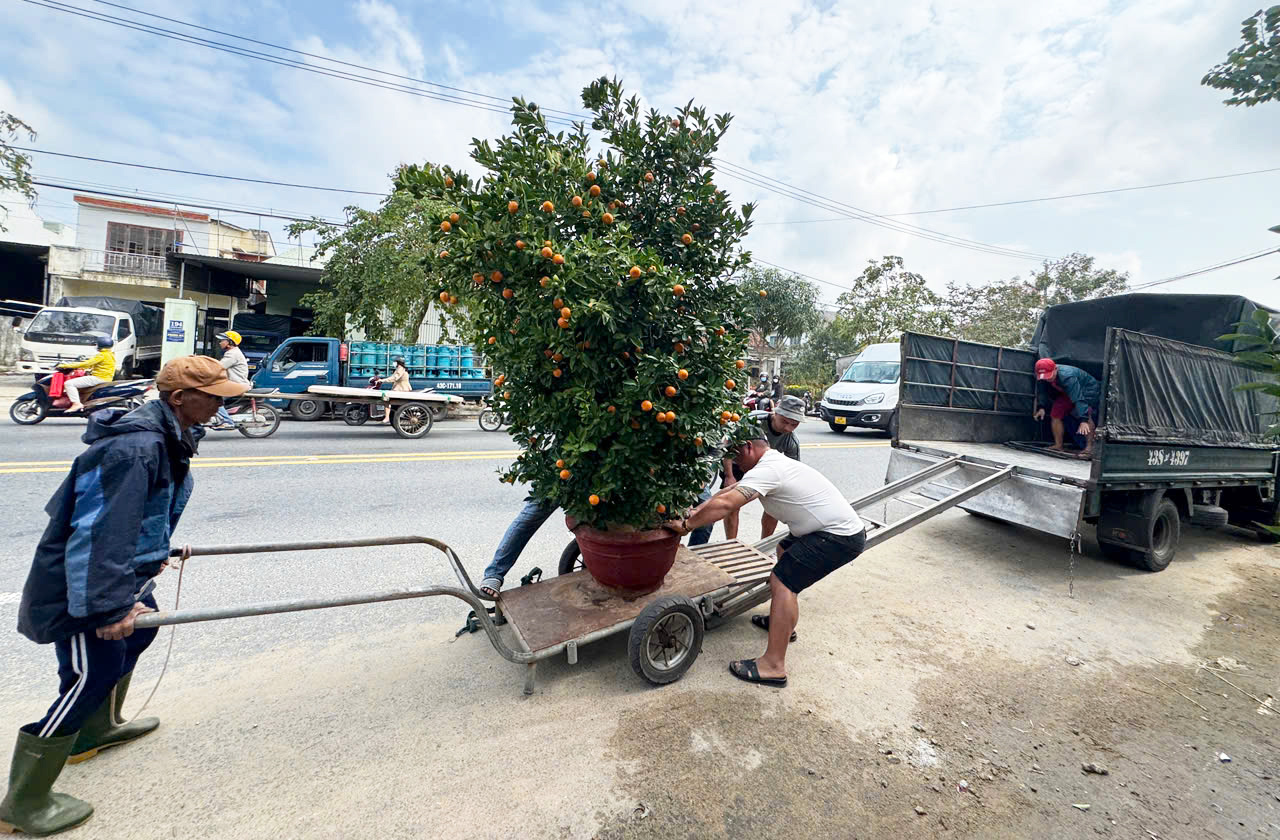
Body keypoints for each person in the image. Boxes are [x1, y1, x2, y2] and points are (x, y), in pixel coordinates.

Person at [0, 355, 248, 837]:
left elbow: (143, 513)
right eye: (213, 395)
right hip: (82, 588)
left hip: (124, 573)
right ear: (180, 399)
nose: (221, 402)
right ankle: (23, 801)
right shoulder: (135, 449)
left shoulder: (170, 436)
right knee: (91, 675)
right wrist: (108, 607)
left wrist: (157, 551)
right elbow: (97, 533)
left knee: (140, 634)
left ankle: (96, 731)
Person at [666, 429, 866, 687]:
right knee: (784, 552)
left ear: (749, 447)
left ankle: (773, 666)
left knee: (782, 581)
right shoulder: (771, 463)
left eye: (736, 457)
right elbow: (724, 495)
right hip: (824, 531)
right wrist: (693, 511)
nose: (735, 464)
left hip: (838, 537)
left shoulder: (769, 469)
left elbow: (729, 505)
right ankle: (782, 624)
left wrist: (687, 525)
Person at [722, 394, 805, 541]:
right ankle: (731, 543)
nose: (788, 428)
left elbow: (791, 472)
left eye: (794, 424)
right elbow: (728, 445)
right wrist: (729, 476)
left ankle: (764, 545)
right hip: (738, 463)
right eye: (785, 422)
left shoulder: (791, 441)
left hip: (766, 470)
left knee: (775, 506)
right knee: (732, 504)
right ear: (776, 412)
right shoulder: (753, 421)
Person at [1033, 358, 1101, 456]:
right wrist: (1041, 407)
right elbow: (1042, 391)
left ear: (1055, 369)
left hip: (1087, 390)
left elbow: (1078, 398)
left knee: (1087, 414)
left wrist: (1083, 420)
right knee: (1056, 413)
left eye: (1049, 376)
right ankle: (1058, 445)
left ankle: (1090, 448)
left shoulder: (1067, 376)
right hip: (1067, 391)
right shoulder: (1042, 377)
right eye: (1044, 377)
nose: (1047, 379)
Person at [59, 335, 116, 413]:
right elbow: (92, 365)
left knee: (69, 384)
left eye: (96, 344)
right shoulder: (110, 354)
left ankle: (76, 404)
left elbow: (87, 363)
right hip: (105, 377)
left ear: (100, 345)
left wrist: (65, 365)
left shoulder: (102, 355)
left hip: (98, 378)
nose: (96, 346)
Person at [210, 331, 250, 430]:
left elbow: (218, 367)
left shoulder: (232, 354)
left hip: (236, 385)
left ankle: (227, 422)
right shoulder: (232, 352)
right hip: (234, 383)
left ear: (230, 342)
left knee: (213, 400)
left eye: (222, 340)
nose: (220, 343)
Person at [376, 357, 412, 424]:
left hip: (401, 389)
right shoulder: (399, 369)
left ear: (398, 362)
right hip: (399, 388)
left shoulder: (400, 369)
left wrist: (382, 380)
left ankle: (387, 418)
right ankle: (390, 417)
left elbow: (394, 378)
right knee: (391, 403)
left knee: (386, 399)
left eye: (395, 361)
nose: (394, 363)